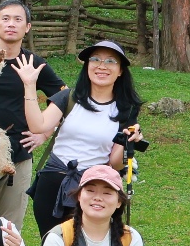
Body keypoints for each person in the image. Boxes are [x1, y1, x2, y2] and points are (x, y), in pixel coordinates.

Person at [24, 39, 144, 235]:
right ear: (87, 65)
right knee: (51, 245)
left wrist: (128, 141)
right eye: (95, 59)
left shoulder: (125, 109)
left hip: (93, 189)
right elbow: (38, 126)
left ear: (121, 70)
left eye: (110, 61)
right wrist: (29, 86)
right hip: (52, 184)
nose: (101, 66)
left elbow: (115, 163)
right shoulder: (69, 98)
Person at [0, 0, 65, 228]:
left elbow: (65, 97)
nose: (11, 24)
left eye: (18, 19)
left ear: (27, 27)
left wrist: (44, 132)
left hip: (18, 155)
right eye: (5, 19)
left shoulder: (33, 63)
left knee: (11, 227)